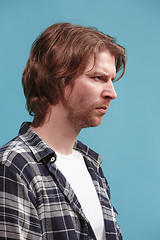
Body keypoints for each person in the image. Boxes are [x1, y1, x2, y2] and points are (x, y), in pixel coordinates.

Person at [0, 22, 126, 240]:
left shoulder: (91, 166)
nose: (112, 93)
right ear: (57, 80)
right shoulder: (14, 165)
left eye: (112, 80)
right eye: (98, 78)